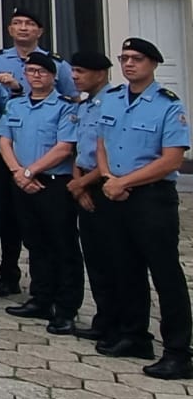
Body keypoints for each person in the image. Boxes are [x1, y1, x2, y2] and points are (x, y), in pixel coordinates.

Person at [96, 36, 192, 379]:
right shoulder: (111, 99)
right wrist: (109, 177)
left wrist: (126, 182)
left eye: (136, 58)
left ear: (153, 63)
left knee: (165, 274)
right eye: (124, 58)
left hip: (151, 198)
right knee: (126, 268)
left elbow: (171, 161)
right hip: (116, 193)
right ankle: (135, 335)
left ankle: (179, 352)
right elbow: (101, 142)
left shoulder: (167, 105)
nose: (129, 64)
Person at [0, 51, 82, 332]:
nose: (36, 76)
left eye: (42, 72)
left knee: (62, 245)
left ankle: (66, 308)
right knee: (35, 243)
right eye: (31, 71)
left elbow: (64, 148)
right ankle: (41, 298)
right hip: (21, 182)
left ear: (54, 76)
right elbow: (5, 142)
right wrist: (17, 174)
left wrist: (30, 172)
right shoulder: (17, 106)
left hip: (53, 183)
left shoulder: (65, 107)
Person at [65, 50, 117, 343]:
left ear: (100, 73)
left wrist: (83, 183)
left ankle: (118, 324)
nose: (74, 76)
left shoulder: (113, 103)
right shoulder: (85, 105)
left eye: (81, 71)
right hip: (83, 181)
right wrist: (77, 183)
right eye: (74, 71)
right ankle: (103, 319)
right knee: (95, 258)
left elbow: (109, 152)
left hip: (102, 182)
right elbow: (80, 148)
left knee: (112, 258)